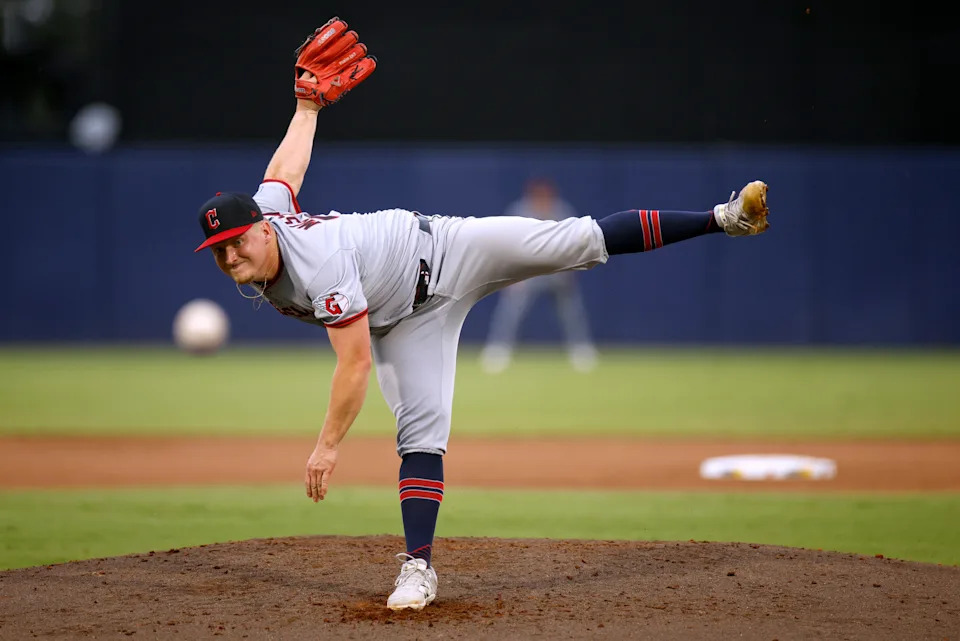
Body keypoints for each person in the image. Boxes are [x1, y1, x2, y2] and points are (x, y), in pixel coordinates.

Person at [193, 17, 770, 612]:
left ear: (264, 231)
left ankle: (724, 218)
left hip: (446, 249)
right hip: (406, 323)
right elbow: (284, 173)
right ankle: (418, 567)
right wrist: (307, 107)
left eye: (239, 241)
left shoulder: (318, 266)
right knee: (421, 434)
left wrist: (327, 447)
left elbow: (354, 365)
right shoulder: (266, 217)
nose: (232, 254)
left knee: (577, 240)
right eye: (221, 250)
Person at [480, 177, 598, 373]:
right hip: (528, 273)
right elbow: (508, 244)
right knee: (511, 312)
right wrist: (512, 276)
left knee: (571, 313)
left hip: (556, 271)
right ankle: (498, 350)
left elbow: (575, 243)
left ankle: (581, 350)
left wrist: (570, 270)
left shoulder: (562, 211)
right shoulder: (519, 212)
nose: (542, 198)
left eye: (546, 195)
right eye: (538, 195)